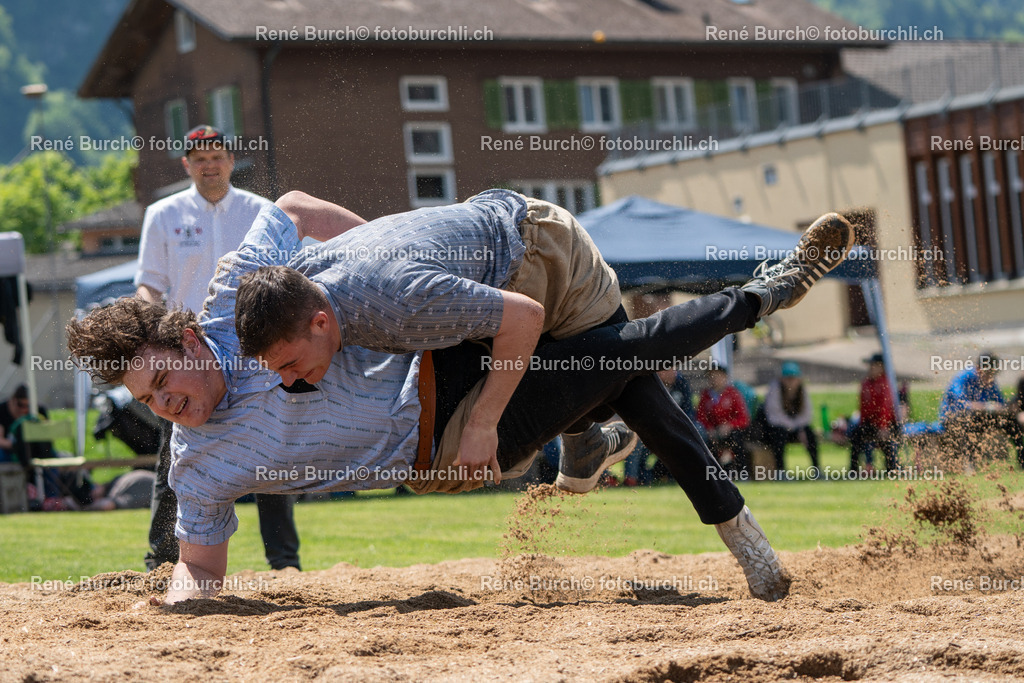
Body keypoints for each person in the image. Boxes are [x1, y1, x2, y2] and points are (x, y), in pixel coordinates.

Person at [68, 203, 854, 605]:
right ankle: (601, 434)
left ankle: (759, 295)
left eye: (166, 385)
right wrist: (179, 598)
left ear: (195, 344)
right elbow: (200, 570)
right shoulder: (195, 462)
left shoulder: (238, 300)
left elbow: (295, 204)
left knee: (619, 359)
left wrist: (376, 253)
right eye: (147, 402)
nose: (166, 407)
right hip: (440, 446)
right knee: (615, 367)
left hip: (448, 356)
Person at [233, 188, 634, 493]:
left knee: (616, 368)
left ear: (319, 324)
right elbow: (293, 204)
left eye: (287, 365)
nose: (287, 380)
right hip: (497, 245)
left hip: (535, 247)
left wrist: (483, 423)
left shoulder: (400, 306)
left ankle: (603, 443)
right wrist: (383, 251)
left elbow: (526, 317)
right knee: (552, 373)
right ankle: (587, 446)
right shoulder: (303, 280)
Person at [133, 125, 323, 571]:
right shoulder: (164, 214)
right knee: (175, 459)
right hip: (187, 358)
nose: (209, 165)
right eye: (199, 159)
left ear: (231, 160)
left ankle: (284, 563)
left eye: (216, 156)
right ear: (187, 165)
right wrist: (153, 331)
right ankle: (160, 562)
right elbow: (148, 285)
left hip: (255, 353)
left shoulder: (262, 212)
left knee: (270, 454)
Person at [939, 351, 1012, 463]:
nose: (990, 377)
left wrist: (1001, 408)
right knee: (970, 418)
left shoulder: (990, 382)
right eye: (988, 373)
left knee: (1010, 418)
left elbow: (1001, 403)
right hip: (953, 418)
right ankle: (969, 462)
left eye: (993, 373)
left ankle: (1019, 458)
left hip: (978, 417)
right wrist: (987, 406)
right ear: (979, 369)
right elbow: (962, 404)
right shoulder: (962, 378)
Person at [761, 361, 819, 475]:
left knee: (809, 434)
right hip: (775, 428)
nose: (791, 382)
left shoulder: (802, 391)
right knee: (779, 434)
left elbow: (806, 414)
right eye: (788, 378)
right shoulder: (774, 389)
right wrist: (794, 427)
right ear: (782, 379)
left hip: (795, 428)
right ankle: (781, 471)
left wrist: (800, 428)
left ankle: (817, 470)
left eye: (793, 378)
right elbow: (774, 415)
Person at [849, 353, 900, 472]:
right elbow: (863, 407)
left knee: (889, 442)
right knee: (856, 435)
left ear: (882, 367)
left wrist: (883, 426)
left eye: (874, 365)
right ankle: (855, 469)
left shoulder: (886, 383)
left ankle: (892, 468)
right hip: (870, 424)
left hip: (887, 424)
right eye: (870, 365)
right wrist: (861, 424)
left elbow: (885, 407)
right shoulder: (866, 383)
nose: (871, 368)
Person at [697, 366, 752, 475]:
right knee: (705, 441)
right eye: (711, 376)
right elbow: (700, 417)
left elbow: (744, 419)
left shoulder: (733, 394)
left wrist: (729, 425)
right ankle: (713, 473)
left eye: (717, 376)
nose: (714, 379)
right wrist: (709, 429)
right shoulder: (706, 395)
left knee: (735, 438)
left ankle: (741, 472)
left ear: (725, 377)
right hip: (714, 432)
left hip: (733, 431)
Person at [0, 384, 32, 462]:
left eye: (27, 406)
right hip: (8, 451)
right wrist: (17, 445)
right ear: (13, 400)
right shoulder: (2, 410)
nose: (24, 409)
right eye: (20, 405)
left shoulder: (37, 410)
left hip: (33, 450)